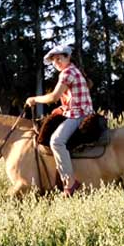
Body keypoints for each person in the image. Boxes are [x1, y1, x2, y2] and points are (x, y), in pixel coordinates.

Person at [26, 44, 94, 196]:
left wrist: (34, 99)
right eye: (53, 61)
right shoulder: (72, 71)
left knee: (56, 141)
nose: (56, 62)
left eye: (59, 58)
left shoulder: (67, 73)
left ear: (67, 57)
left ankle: (70, 182)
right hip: (76, 111)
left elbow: (54, 97)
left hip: (79, 114)